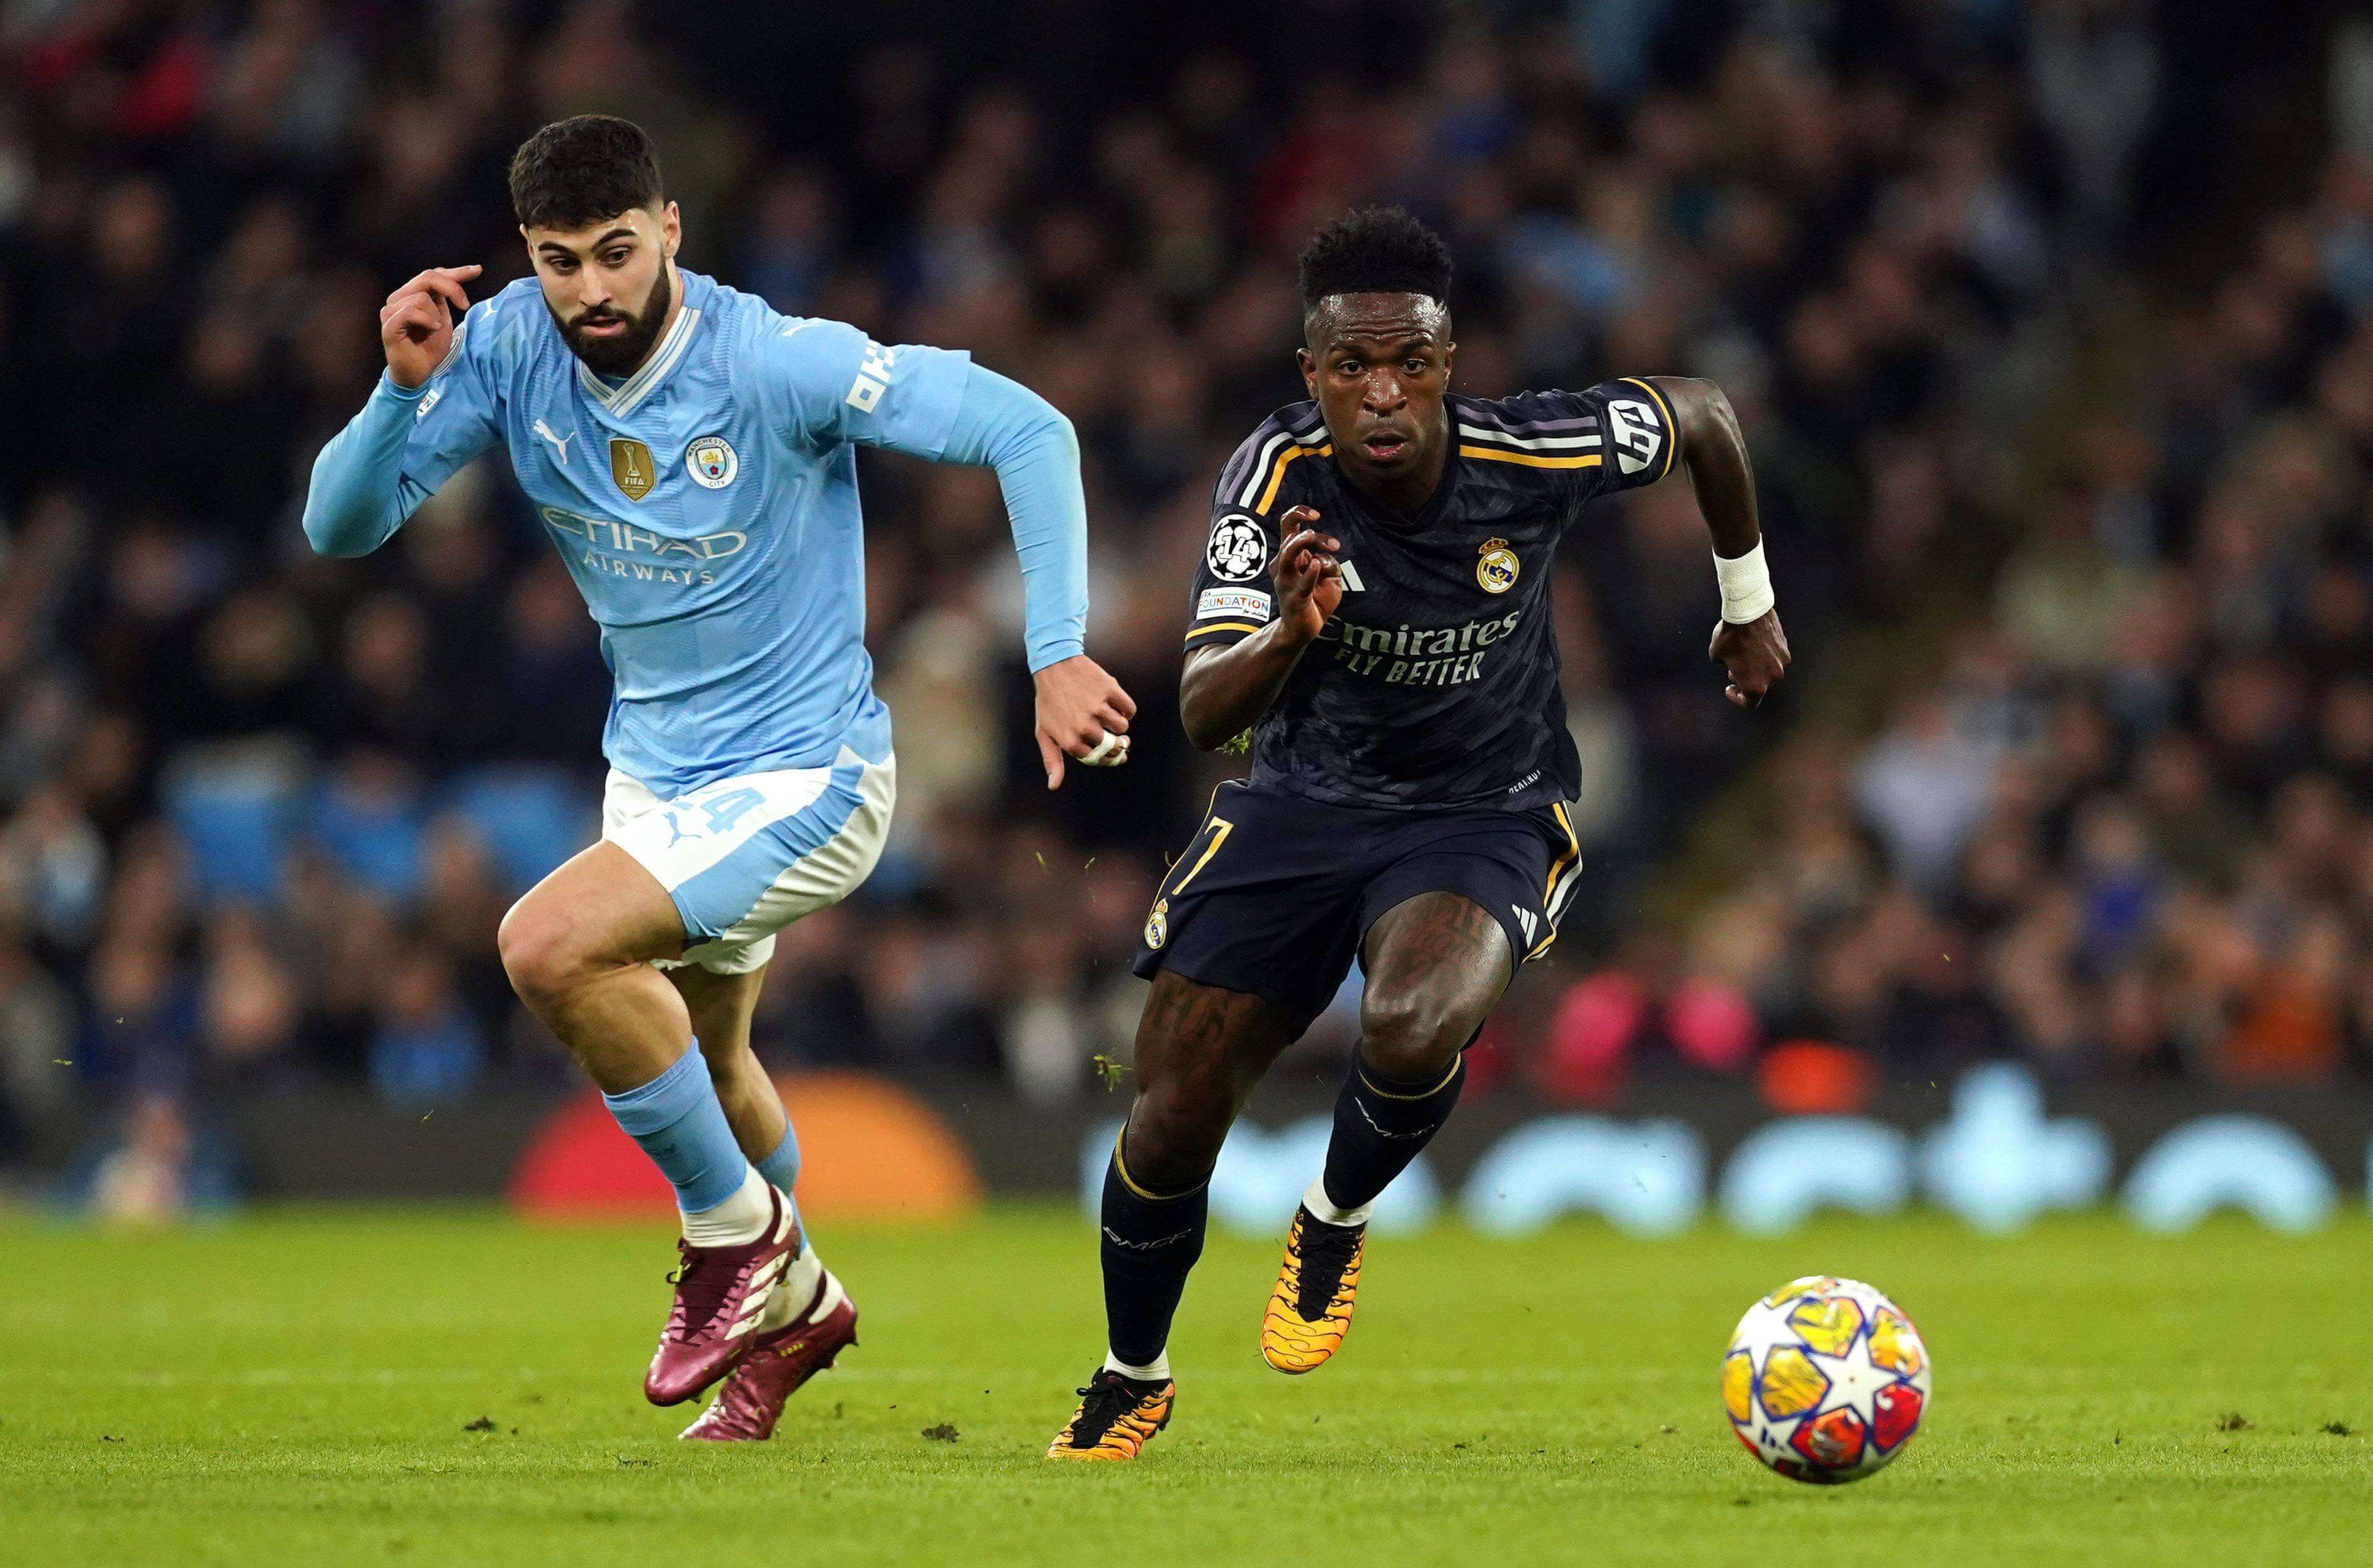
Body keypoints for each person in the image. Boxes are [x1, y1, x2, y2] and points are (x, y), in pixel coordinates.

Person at [302, 115, 1135, 1442]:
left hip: (809, 772)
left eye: (618, 254)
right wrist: (399, 389)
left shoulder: (774, 360)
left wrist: (1054, 655)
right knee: (714, 1060)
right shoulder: (511, 346)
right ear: (530, 256)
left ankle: (741, 1248)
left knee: (546, 947)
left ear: (672, 229)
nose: (592, 291)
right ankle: (796, 1304)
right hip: (657, 781)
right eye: (561, 261)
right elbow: (339, 528)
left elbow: (1027, 430)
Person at [1047, 207, 1789, 1459]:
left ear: (1450, 364)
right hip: (1298, 803)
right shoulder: (1270, 480)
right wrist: (1289, 631)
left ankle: (1333, 1216)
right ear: (1311, 376)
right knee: (1170, 1113)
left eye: (1411, 365)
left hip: (1482, 810)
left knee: (1411, 1019)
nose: (1383, 395)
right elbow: (1198, 707)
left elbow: (1706, 414)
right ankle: (1133, 1375)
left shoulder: (1531, 449)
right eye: (1352, 369)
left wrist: (1747, 601)